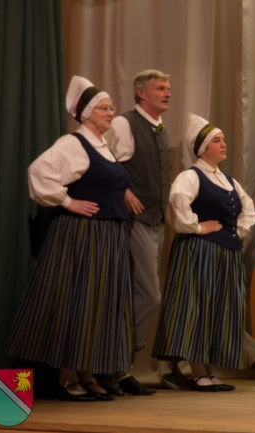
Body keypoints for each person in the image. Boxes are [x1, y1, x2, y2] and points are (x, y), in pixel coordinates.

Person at [6, 76, 132, 402]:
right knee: (76, 303)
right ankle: (66, 379)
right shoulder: (73, 144)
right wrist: (67, 201)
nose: (111, 112)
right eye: (104, 108)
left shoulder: (103, 146)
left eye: (111, 108)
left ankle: (86, 375)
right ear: (87, 113)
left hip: (108, 236)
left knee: (98, 305)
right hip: (82, 236)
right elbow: (39, 172)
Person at [152, 114, 255, 392]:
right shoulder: (191, 176)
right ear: (202, 148)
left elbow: (248, 209)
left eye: (223, 139)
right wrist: (196, 227)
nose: (224, 144)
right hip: (200, 253)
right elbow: (177, 202)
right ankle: (198, 373)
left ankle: (209, 371)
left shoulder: (227, 180)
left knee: (218, 310)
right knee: (198, 308)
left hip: (226, 254)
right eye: (217, 140)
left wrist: (236, 232)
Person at [101, 69, 172, 395]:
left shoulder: (159, 128)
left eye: (168, 87)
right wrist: (124, 191)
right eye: (160, 88)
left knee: (138, 295)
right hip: (136, 221)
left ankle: (120, 366)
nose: (168, 92)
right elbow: (104, 160)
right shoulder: (124, 123)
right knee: (148, 295)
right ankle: (116, 361)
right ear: (142, 93)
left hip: (155, 220)